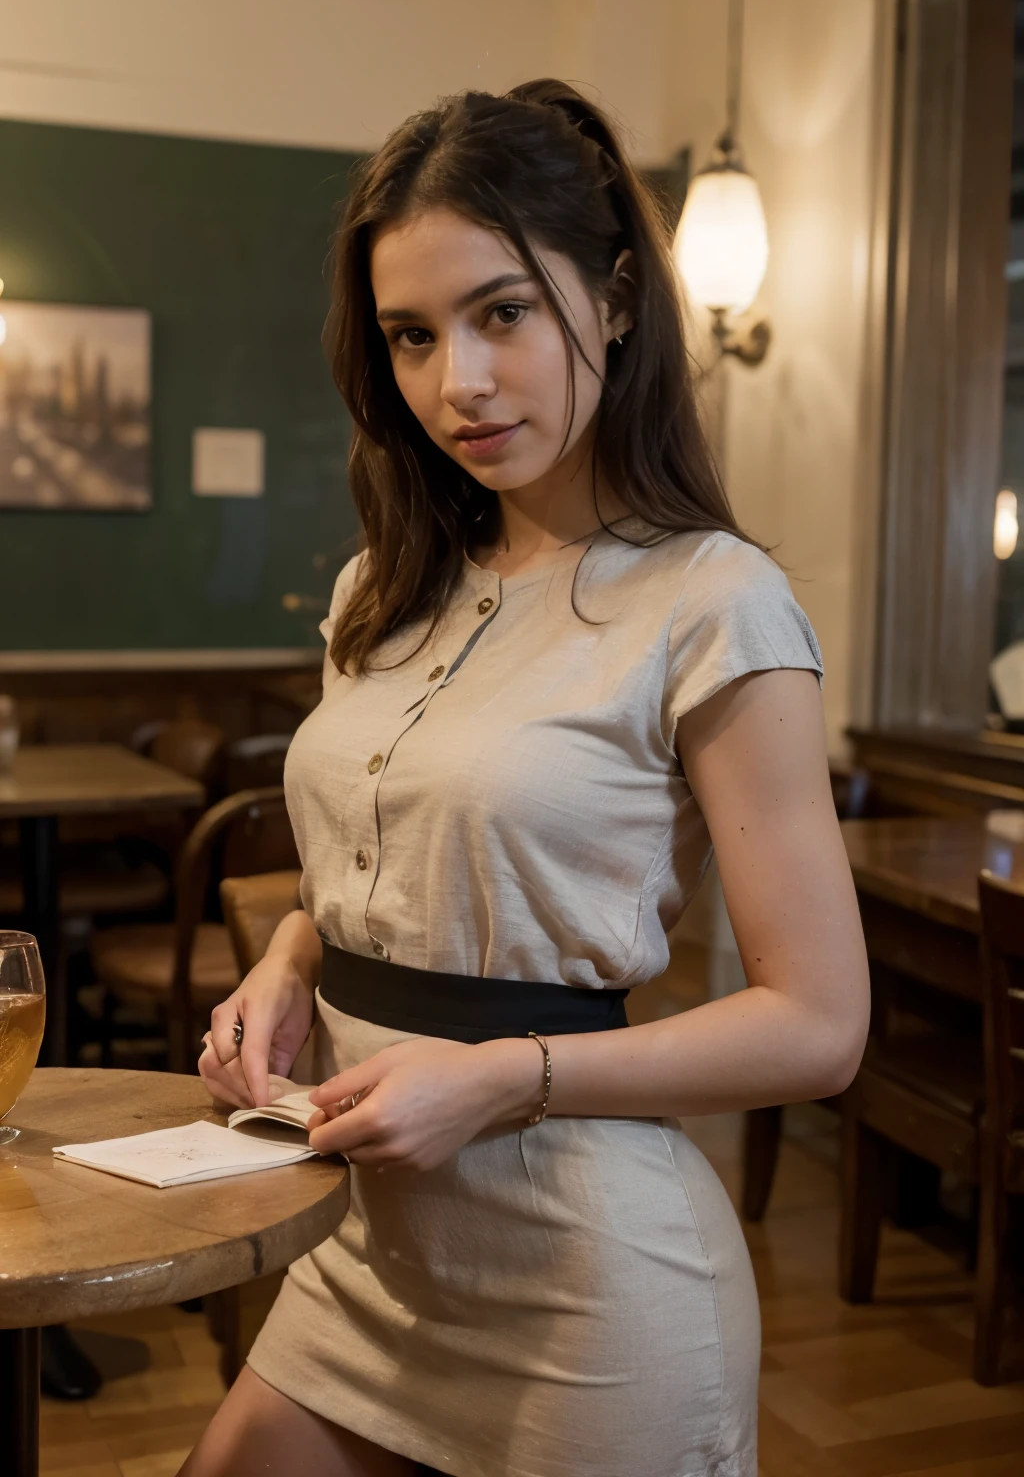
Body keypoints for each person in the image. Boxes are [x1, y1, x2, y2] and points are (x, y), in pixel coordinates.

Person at [181, 79, 869, 1477]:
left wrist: (505, 1078)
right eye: (413, 337)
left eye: (503, 313)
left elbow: (819, 1025)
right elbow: (392, 862)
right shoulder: (382, 591)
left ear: (615, 299)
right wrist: (294, 961)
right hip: (358, 1239)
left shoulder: (714, 603)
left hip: (585, 1275)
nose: (459, 384)